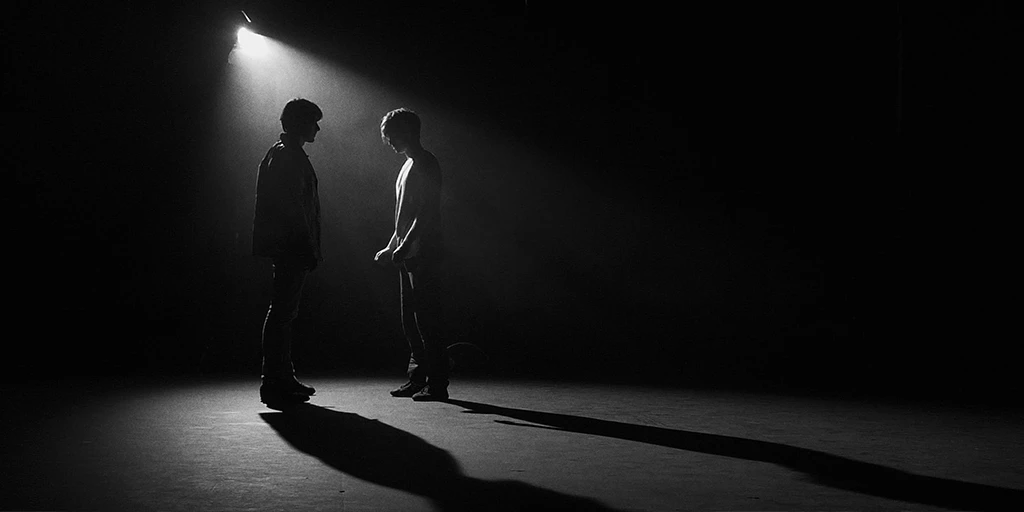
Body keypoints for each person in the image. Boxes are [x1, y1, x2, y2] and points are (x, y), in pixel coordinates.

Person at [252, 98, 323, 407]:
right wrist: (308, 247)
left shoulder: (280, 154)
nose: (317, 128)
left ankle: (280, 376)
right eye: (313, 121)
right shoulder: (288, 157)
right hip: (292, 246)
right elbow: (294, 208)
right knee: (282, 312)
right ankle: (275, 380)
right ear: (299, 123)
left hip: (288, 245)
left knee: (282, 312)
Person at [374, 108, 449, 401]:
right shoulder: (406, 165)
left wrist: (404, 246)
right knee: (411, 319)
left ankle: (437, 383)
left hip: (425, 252)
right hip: (411, 253)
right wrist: (393, 245)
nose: (388, 140)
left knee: (427, 319)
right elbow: (404, 216)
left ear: (408, 131)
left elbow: (427, 211)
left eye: (392, 134)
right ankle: (420, 377)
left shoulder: (426, 163)